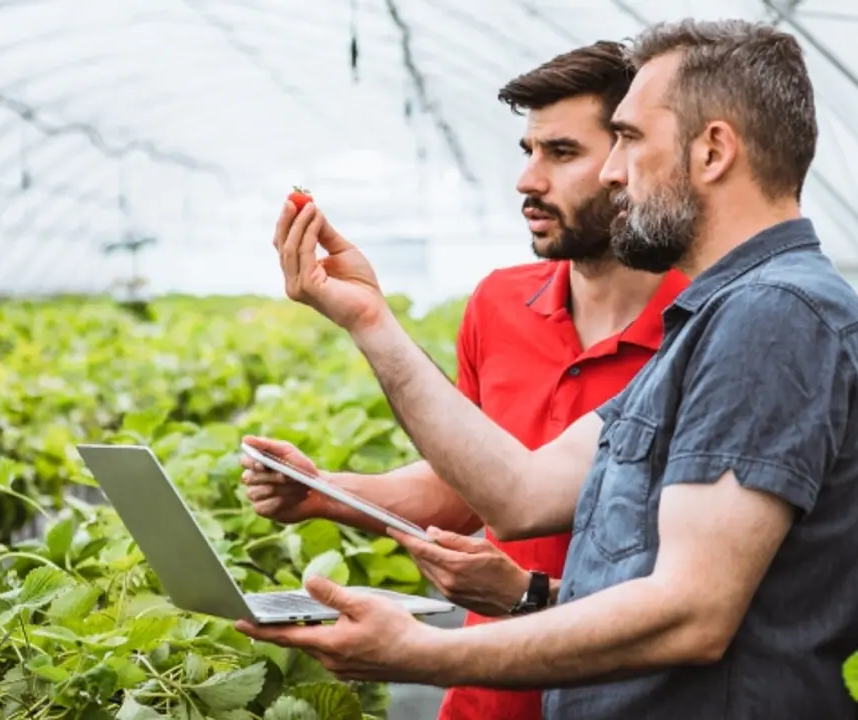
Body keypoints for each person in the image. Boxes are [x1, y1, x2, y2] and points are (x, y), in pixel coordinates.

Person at [239, 18, 858, 720]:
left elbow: (691, 613)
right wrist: (368, 318)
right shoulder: (716, 321)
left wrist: (420, 654)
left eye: (633, 139)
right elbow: (519, 494)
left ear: (713, 151)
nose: (616, 171)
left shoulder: (773, 317)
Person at [238, 41, 688, 720]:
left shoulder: (704, 330)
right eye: (527, 151)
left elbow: (698, 588)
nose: (527, 181)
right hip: (483, 697)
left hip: (625, 699)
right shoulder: (499, 304)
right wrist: (327, 493)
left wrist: (528, 592)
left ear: (631, 156)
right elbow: (470, 485)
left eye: (561, 154)